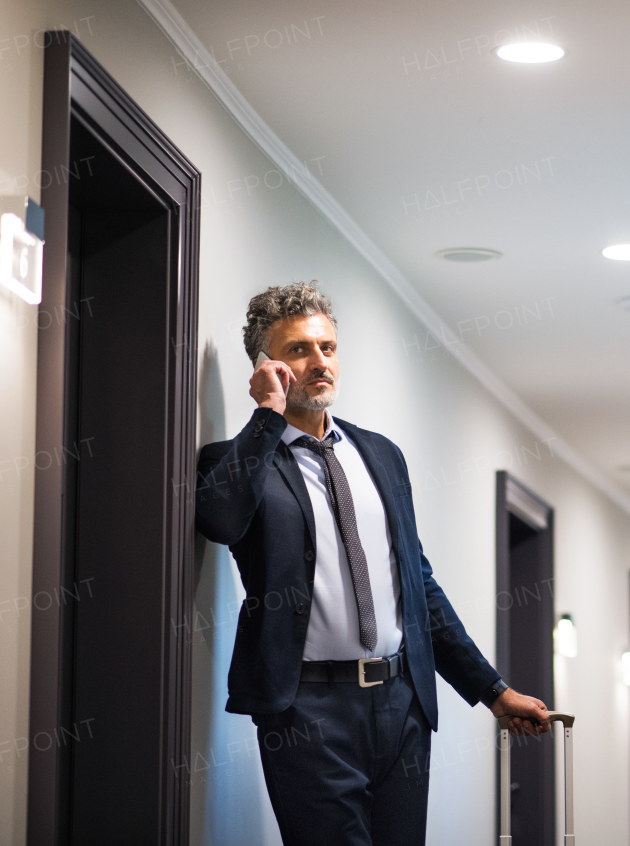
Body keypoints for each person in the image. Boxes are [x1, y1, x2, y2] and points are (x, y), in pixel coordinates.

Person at [195, 281, 549, 845]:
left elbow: (419, 588)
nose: (319, 362)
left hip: (401, 706)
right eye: (298, 350)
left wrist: (492, 690)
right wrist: (268, 413)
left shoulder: (380, 455)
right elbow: (219, 521)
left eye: (327, 348)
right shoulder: (239, 460)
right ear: (265, 365)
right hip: (306, 712)